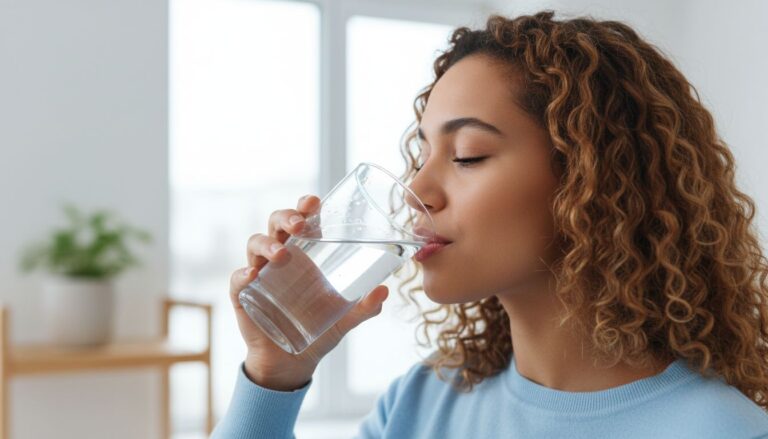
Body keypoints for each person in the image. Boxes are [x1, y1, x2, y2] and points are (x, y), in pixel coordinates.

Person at [211, 10, 768, 438]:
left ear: (592, 180)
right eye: (421, 155)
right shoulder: (422, 404)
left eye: (469, 155)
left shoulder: (718, 429)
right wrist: (273, 375)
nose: (419, 193)